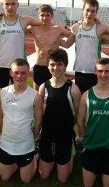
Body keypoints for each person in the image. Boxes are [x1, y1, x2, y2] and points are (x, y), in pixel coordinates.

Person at [77, 58, 109, 187]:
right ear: (95, 71)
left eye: (107, 71)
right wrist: (84, 137)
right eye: (100, 71)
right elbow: (80, 120)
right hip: (90, 146)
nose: (103, 75)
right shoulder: (86, 95)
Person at [0, 58, 43, 183]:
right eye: (16, 72)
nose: (19, 76)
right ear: (11, 73)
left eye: (23, 73)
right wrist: (1, 134)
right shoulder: (2, 93)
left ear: (29, 74)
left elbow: (38, 122)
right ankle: (17, 163)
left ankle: (35, 156)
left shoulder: (35, 96)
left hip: (26, 145)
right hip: (6, 144)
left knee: (26, 180)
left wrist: (32, 138)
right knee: (5, 178)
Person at [38, 48, 81, 183]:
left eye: (59, 64)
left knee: (62, 179)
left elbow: (78, 115)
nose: (55, 68)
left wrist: (67, 125)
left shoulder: (72, 88)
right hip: (47, 136)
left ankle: (71, 153)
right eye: (52, 64)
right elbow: (41, 112)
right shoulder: (43, 87)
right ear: (48, 66)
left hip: (65, 137)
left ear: (65, 65)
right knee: (44, 175)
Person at [0, 0, 42, 88]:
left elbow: (44, 23)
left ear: (18, 5)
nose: (10, 7)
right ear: (2, 5)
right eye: (7, 4)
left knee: (20, 95)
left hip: (20, 65)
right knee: (0, 96)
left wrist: (66, 28)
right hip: (1, 65)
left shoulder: (25, 19)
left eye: (13, 4)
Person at [60, 0, 109, 94]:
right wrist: (51, 38)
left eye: (93, 11)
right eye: (87, 10)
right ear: (83, 10)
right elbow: (67, 44)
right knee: (79, 101)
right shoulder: (75, 27)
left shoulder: (101, 27)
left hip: (95, 71)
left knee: (94, 101)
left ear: (96, 12)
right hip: (79, 71)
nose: (89, 14)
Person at [28, 4, 72, 90]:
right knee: (37, 95)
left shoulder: (58, 29)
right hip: (39, 66)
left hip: (54, 67)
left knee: (54, 94)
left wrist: (68, 28)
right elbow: (20, 28)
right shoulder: (33, 28)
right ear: (39, 16)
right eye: (42, 15)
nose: (45, 18)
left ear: (52, 16)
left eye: (47, 15)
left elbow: (72, 36)